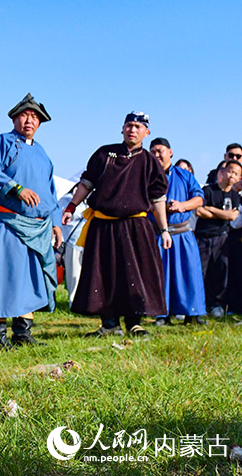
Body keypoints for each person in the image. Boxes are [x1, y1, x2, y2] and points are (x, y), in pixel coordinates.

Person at [64, 111, 171, 338]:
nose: (132, 130)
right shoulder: (104, 154)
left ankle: (135, 323)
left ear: (146, 132)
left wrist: (164, 230)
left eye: (138, 127)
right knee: (103, 274)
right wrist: (71, 207)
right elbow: (87, 183)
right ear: (122, 129)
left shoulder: (149, 162)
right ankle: (109, 324)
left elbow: (158, 200)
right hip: (103, 225)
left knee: (135, 274)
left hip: (137, 226)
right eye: (129, 125)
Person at [0, 94, 62, 348]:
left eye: (35, 117)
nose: (29, 120)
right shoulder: (2, 143)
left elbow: (50, 192)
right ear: (15, 118)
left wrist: (56, 222)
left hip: (37, 226)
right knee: (3, 276)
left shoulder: (42, 153)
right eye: (25, 115)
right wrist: (16, 189)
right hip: (7, 222)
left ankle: (23, 333)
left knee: (30, 278)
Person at [148, 138, 206, 325]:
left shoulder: (184, 175)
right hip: (157, 233)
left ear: (170, 152)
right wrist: (160, 207)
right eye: (153, 151)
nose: (157, 155)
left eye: (160, 151)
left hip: (182, 233)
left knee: (189, 274)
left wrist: (181, 205)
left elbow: (198, 199)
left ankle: (193, 314)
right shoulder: (145, 176)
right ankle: (161, 315)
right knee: (159, 275)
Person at [194, 159, 241, 317]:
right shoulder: (208, 190)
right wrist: (223, 214)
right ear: (223, 171)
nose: (231, 176)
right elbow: (199, 211)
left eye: (236, 174)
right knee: (200, 272)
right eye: (230, 171)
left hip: (222, 238)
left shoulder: (234, 196)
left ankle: (217, 305)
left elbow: (233, 216)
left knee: (221, 272)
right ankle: (197, 306)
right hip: (203, 237)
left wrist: (212, 211)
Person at [57, 186, 87, 302]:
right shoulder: (66, 199)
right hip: (73, 242)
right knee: (74, 274)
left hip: (88, 241)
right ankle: (74, 302)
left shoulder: (90, 200)